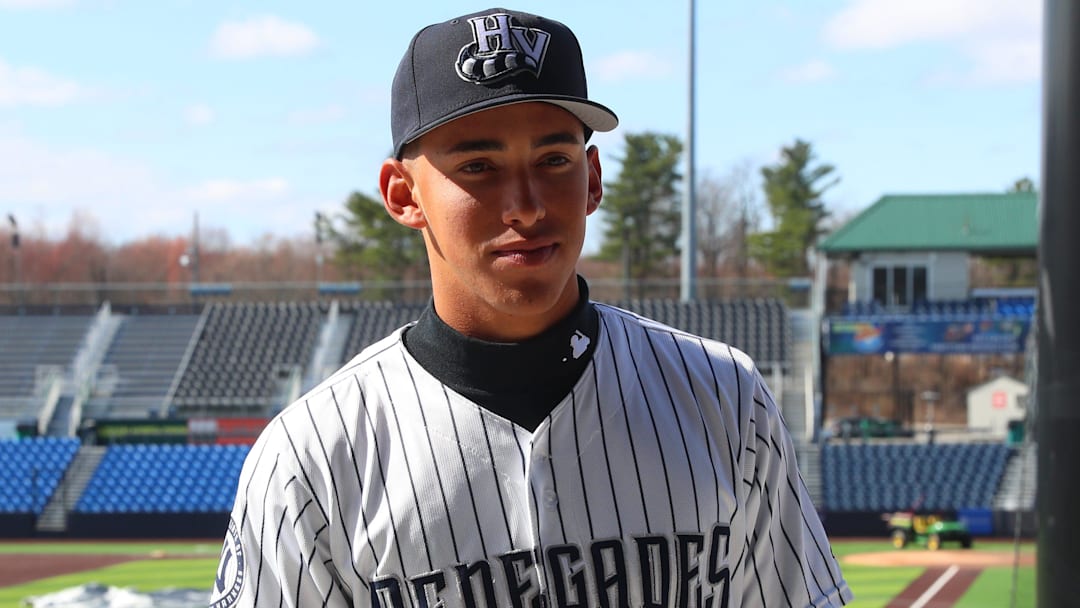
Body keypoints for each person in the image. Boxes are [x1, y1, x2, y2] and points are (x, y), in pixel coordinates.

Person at [211, 7, 852, 608]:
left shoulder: (723, 399)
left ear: (593, 179)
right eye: (479, 166)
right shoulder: (313, 454)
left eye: (554, 159)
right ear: (403, 194)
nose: (526, 204)